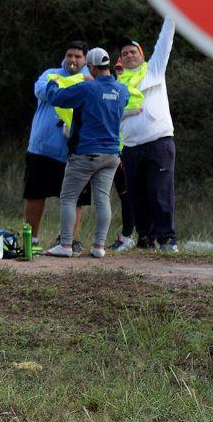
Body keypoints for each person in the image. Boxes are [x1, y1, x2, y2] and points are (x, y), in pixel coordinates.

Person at [43, 47, 129, 259]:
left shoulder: (87, 88)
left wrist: (53, 82)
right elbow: (115, 101)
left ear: (91, 68)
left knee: (68, 197)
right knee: (102, 198)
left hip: (86, 153)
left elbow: (56, 98)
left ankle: (65, 244)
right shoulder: (122, 90)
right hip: (112, 155)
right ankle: (99, 246)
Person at [118, 17, 179, 252]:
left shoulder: (154, 69)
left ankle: (167, 239)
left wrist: (172, 13)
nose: (129, 55)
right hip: (130, 147)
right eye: (124, 53)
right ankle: (145, 238)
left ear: (142, 55)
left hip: (159, 143)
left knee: (160, 191)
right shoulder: (117, 85)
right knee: (136, 196)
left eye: (133, 51)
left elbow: (165, 40)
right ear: (120, 59)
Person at [22, 42, 89, 248]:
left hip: (74, 151)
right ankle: (32, 240)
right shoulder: (50, 73)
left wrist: (63, 86)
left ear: (85, 60)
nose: (73, 60)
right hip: (41, 148)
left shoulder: (91, 79)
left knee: (75, 199)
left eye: (78, 56)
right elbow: (43, 91)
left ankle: (68, 241)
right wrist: (74, 85)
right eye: (69, 55)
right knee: (35, 194)